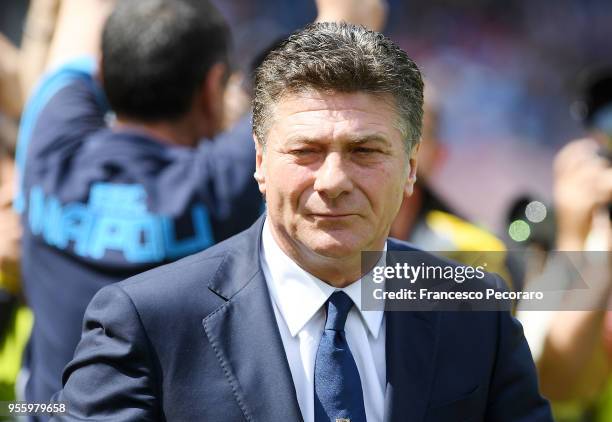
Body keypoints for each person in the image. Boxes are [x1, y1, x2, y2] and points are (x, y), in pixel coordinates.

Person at [53, 22, 552, 421]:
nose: (333, 180)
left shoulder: (473, 305)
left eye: (364, 151)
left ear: (412, 168)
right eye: (306, 151)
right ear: (259, 162)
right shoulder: (148, 320)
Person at [16, 0, 262, 410]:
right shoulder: (232, 181)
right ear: (211, 87)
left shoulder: (51, 145)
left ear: (101, 72)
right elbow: (343, 35)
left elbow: (83, 13)